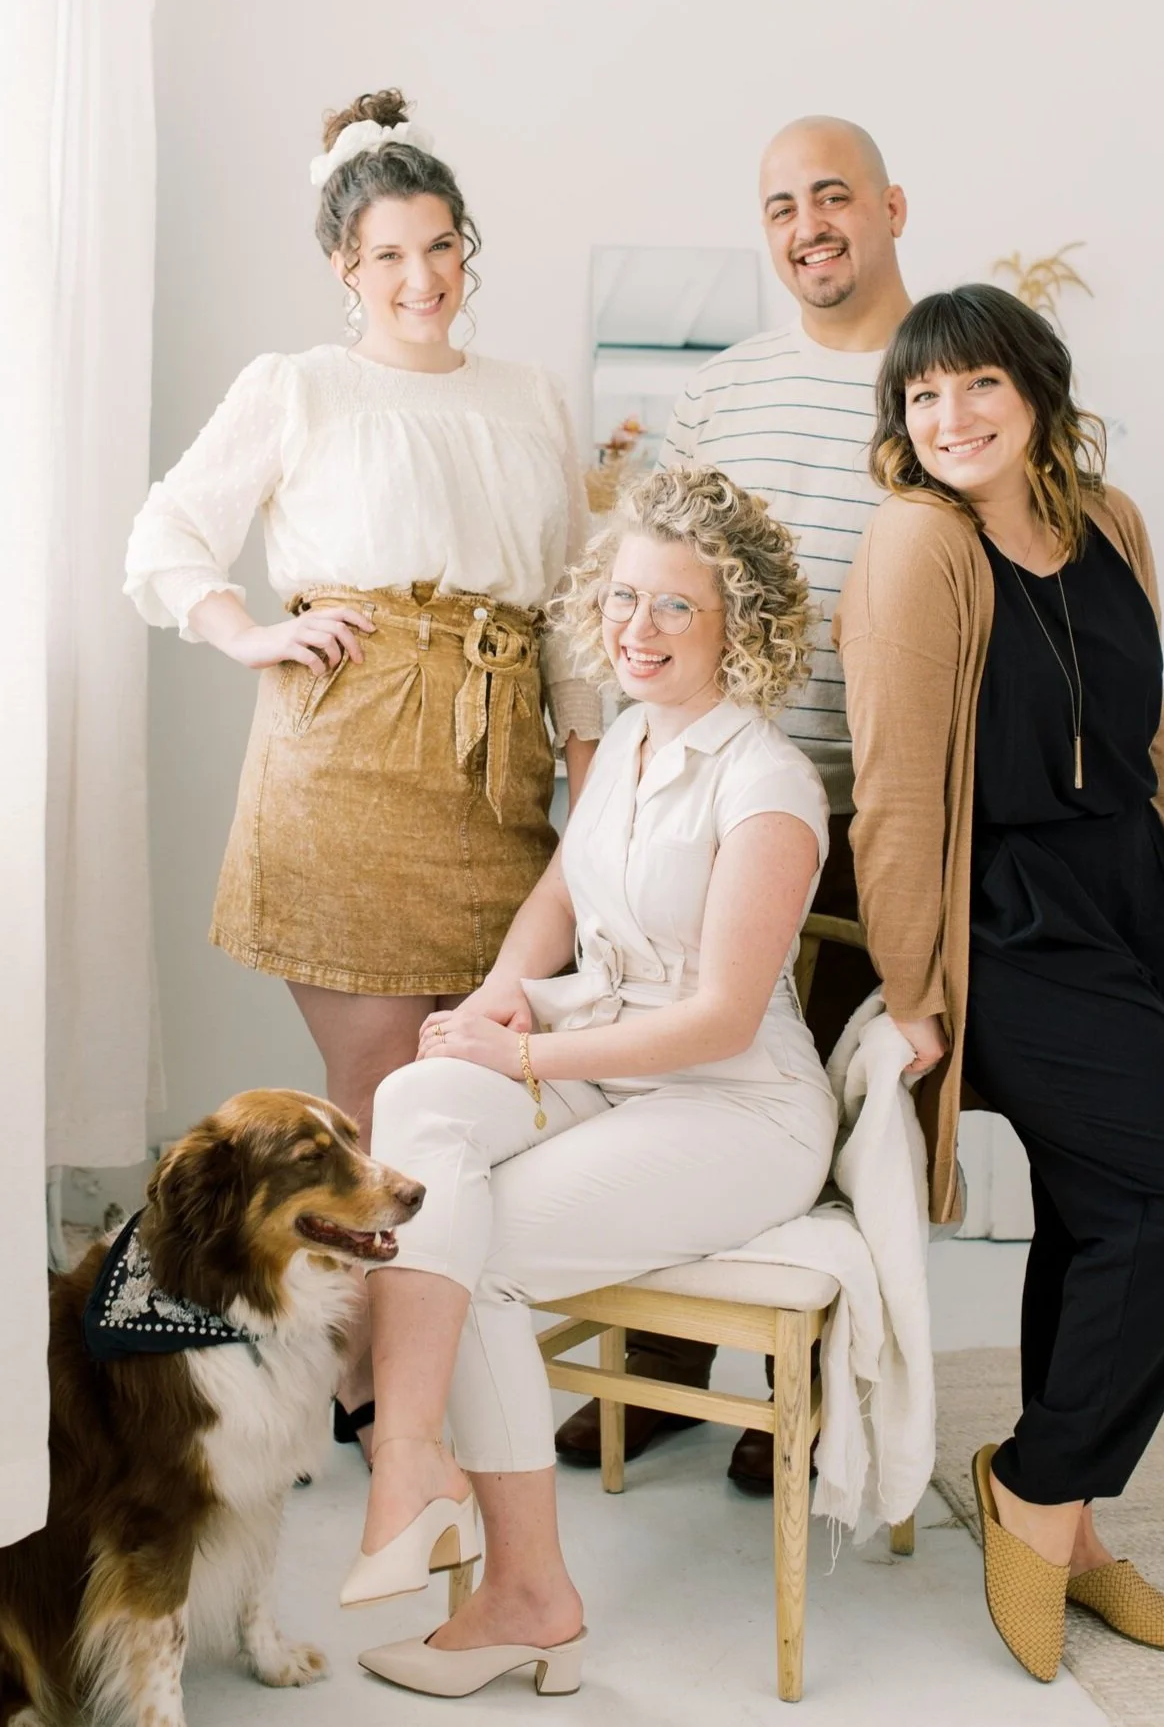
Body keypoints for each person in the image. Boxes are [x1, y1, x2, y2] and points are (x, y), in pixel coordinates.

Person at [124, 89, 600, 1454]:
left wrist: (591, 765)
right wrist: (249, 631)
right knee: (383, 1086)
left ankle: (414, 1361)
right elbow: (166, 535)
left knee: (474, 1080)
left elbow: (571, 603)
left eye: (440, 246)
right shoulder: (299, 386)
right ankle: (378, 1395)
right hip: (348, 751)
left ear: (466, 246)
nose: (421, 276)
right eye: (389, 253)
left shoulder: (527, 396)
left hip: (498, 760)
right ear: (346, 264)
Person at [343, 467, 838, 1699]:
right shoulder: (624, 735)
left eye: (674, 606)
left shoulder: (767, 782)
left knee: (475, 1241)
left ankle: (527, 1595)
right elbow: (560, 892)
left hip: (736, 1105)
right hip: (606, 1052)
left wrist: (522, 1054)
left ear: (738, 625)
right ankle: (410, 1459)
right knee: (415, 1101)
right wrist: (495, 998)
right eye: (622, 597)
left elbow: (719, 1019)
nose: (635, 628)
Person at [838, 282, 1164, 1681]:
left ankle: (1069, 1530)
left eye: (978, 386)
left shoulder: (1108, 520)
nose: (949, 417)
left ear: (1036, 392)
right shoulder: (917, 543)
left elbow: (1150, 733)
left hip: (1124, 902)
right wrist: (913, 987)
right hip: (1005, 926)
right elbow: (895, 787)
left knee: (1103, 1208)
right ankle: (1034, 1481)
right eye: (921, 396)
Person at [558, 114, 911, 1491]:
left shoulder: (942, 378)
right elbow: (654, 563)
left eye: (833, 196)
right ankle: (662, 1357)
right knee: (683, 1077)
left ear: (889, 206)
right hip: (720, 795)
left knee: (836, 1106)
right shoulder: (725, 389)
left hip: (873, 810)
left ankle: (803, 1393)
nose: (808, 226)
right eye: (781, 206)